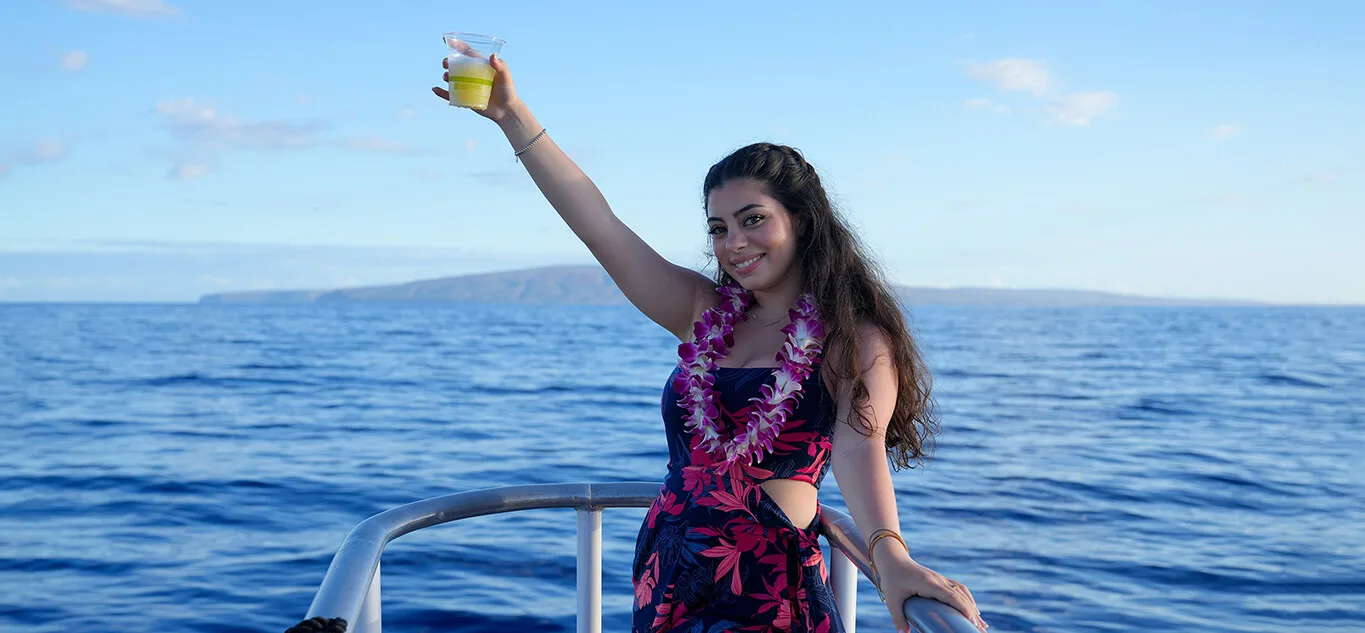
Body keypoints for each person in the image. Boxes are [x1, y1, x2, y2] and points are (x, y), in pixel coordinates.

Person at [433, 53, 989, 633]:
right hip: (667, 577)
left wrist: (889, 555)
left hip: (765, 591)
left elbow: (858, 449)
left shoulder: (852, 337)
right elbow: (600, 225)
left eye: (753, 219)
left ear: (802, 219)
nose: (734, 243)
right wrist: (512, 115)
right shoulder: (703, 314)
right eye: (719, 228)